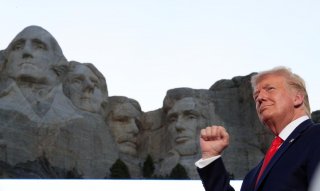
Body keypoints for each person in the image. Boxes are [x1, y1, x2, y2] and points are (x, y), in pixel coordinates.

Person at [195, 66, 320, 191]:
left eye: (270, 89)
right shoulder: (253, 176)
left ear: (297, 98)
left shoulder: (316, 137)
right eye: (256, 96)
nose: (260, 98)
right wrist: (210, 157)